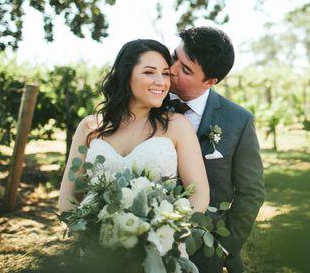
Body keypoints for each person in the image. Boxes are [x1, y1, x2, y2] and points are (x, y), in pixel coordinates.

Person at [58, 39, 210, 216]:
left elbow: (199, 194)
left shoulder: (177, 126)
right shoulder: (90, 127)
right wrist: (84, 236)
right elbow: (68, 195)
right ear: (126, 75)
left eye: (166, 74)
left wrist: (169, 228)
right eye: (149, 72)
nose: (161, 82)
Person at [169, 27, 265, 273]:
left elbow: (250, 192)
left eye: (186, 69)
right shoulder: (147, 105)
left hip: (207, 251)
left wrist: (223, 247)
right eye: (174, 57)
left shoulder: (238, 121)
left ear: (210, 82)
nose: (172, 70)